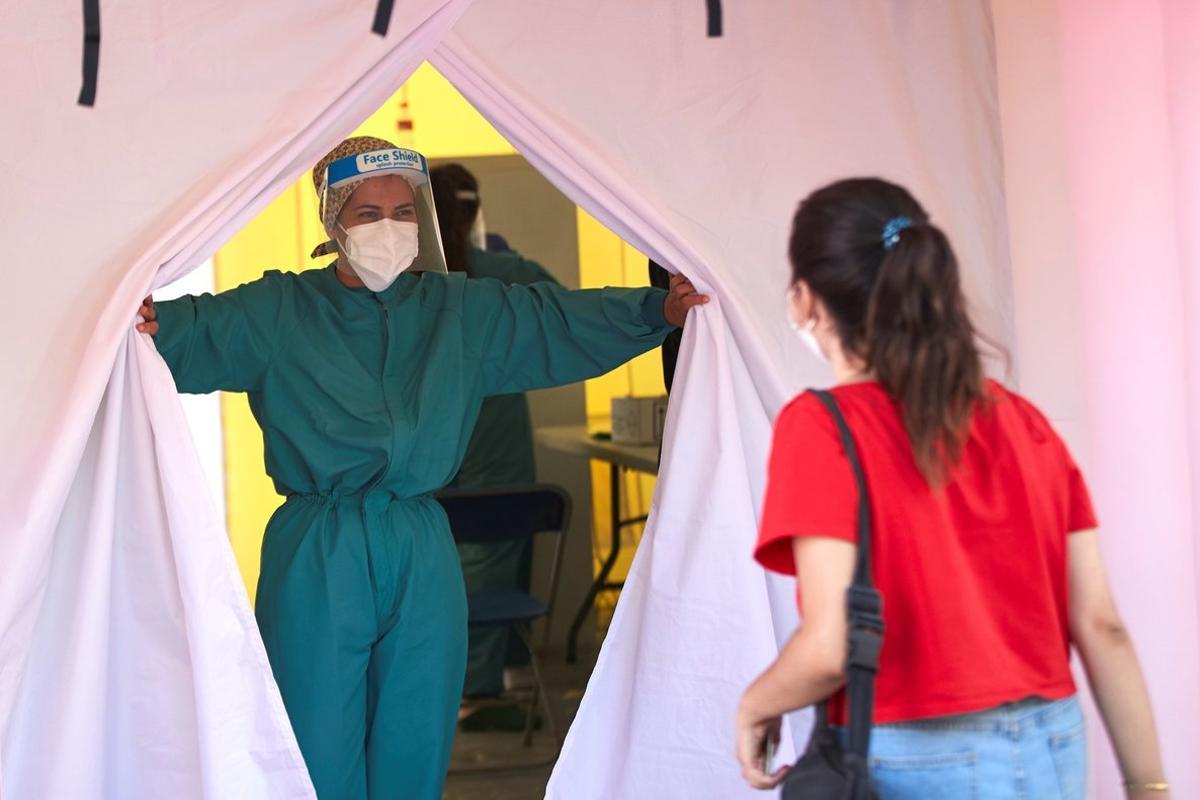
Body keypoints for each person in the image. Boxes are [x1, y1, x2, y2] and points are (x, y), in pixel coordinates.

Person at [134, 136, 708, 800]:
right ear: (332, 221)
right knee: (315, 741)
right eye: (369, 213)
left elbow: (558, 322)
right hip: (320, 549)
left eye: (404, 213)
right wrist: (133, 314)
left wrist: (657, 312)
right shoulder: (276, 312)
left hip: (420, 543)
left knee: (417, 737)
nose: (390, 228)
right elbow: (172, 334)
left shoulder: (459, 312)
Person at [736, 178, 1168, 799]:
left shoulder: (821, 428)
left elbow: (829, 646)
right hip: (1055, 744)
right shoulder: (1025, 423)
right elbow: (1102, 624)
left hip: (917, 755)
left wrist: (757, 703)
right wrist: (1149, 784)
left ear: (804, 300)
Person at [429, 162, 557, 717]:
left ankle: (448, 677)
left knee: (435, 555)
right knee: (497, 541)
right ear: (475, 211)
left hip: (427, 430)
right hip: (495, 433)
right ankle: (479, 686)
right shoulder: (505, 271)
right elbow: (566, 313)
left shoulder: (407, 278)